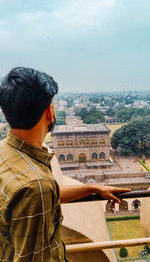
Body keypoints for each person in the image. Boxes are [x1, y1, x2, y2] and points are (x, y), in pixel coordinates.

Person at [0, 67, 130, 262]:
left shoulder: (6, 152)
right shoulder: (36, 186)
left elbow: (44, 196)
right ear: (49, 112)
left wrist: (92, 188)